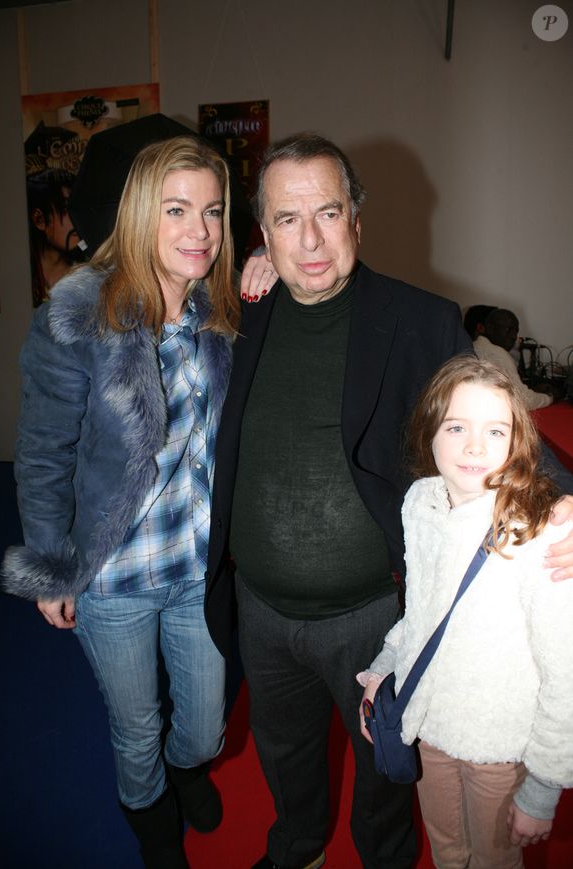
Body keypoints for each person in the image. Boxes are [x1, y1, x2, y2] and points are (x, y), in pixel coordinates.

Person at [206, 132, 573, 869]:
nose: (310, 239)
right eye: (285, 220)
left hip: (375, 613)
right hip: (262, 608)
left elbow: (498, 416)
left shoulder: (418, 319)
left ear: (356, 220)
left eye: (328, 213)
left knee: (385, 771)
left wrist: (567, 498)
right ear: (262, 234)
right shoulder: (234, 315)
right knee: (285, 756)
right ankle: (298, 846)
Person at [2, 136, 239, 869]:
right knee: (135, 728)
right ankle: (154, 826)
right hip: (113, 575)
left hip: (197, 565)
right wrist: (50, 569)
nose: (199, 230)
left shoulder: (220, 311)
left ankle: (188, 768)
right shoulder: (78, 314)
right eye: (177, 209)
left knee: (203, 727)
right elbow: (43, 452)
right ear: (140, 213)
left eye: (213, 211)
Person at [358, 355, 573, 868]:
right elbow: (421, 612)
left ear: (517, 442)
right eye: (456, 426)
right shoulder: (421, 502)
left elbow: (565, 671)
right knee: (448, 851)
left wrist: (542, 788)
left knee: (495, 860)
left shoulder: (537, 529)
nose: (475, 447)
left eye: (495, 431)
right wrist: (384, 669)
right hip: (430, 727)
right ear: (429, 430)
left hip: (497, 744)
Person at [473, 307, 553, 410]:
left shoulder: (477, 345)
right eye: (508, 330)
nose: (513, 336)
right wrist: (550, 397)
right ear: (489, 327)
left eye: (516, 331)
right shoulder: (496, 353)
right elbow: (523, 400)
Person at [26, 168, 84, 306]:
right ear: (39, 219)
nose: (74, 218)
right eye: (64, 209)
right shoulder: (21, 275)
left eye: (74, 208)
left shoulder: (86, 276)